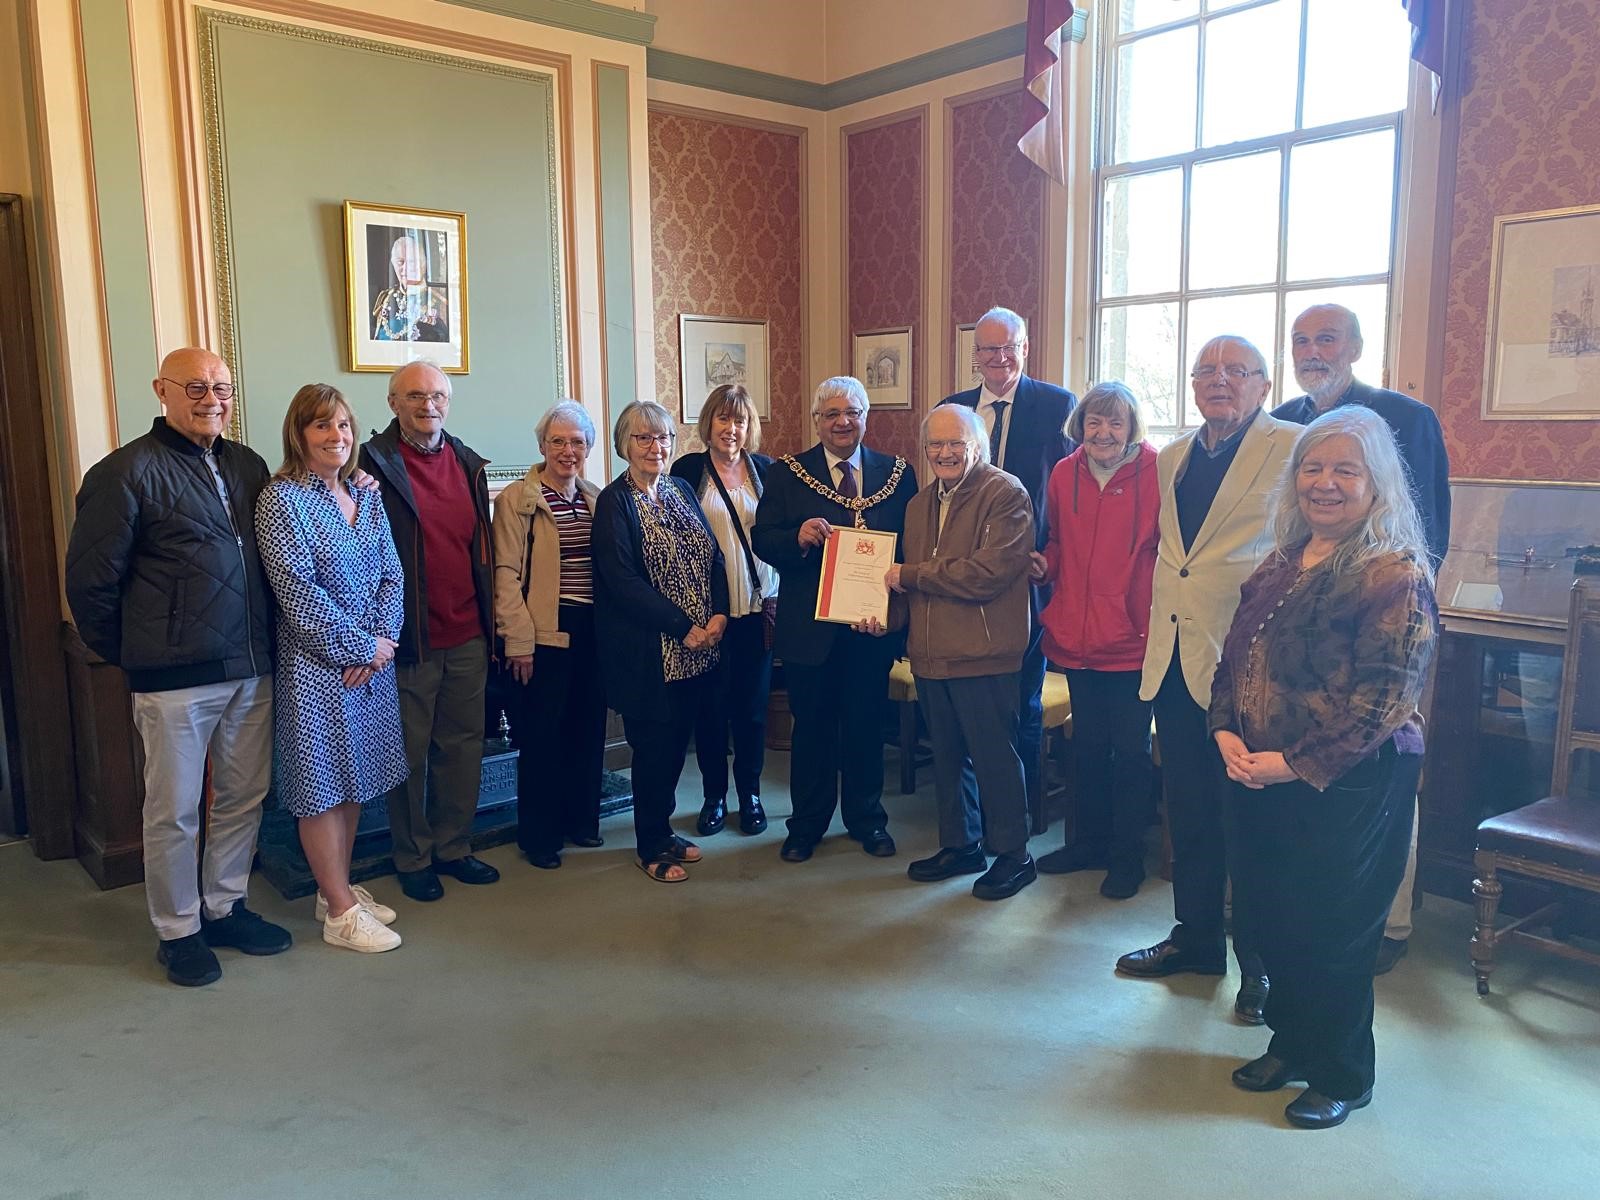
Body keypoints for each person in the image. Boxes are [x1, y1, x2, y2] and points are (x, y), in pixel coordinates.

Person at [1211, 405, 1436, 1130]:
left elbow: (1385, 698)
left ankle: (1342, 1072)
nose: (1326, 484)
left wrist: (1293, 763)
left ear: (1378, 485)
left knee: (1332, 932)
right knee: (1274, 919)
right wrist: (1223, 730)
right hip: (1259, 773)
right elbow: (1234, 658)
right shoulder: (1282, 560)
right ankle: (1292, 1044)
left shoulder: (1392, 573)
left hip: (1350, 784)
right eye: (1313, 467)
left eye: (1346, 470)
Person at [65, 347, 292, 987]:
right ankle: (179, 929)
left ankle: (225, 906)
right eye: (195, 386)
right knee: (174, 810)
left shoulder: (247, 464)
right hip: (173, 680)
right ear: (161, 389)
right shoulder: (124, 472)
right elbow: (90, 585)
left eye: (221, 385)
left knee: (243, 796)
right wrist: (134, 654)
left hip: (253, 665)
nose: (211, 398)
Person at [1114, 335, 1299, 1028]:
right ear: (1192, 386)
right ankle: (1195, 941)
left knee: (1249, 823)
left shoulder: (1292, 446)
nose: (1220, 381)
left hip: (1250, 665)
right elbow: (1178, 555)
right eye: (1207, 371)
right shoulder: (1175, 455)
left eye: (1236, 371)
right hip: (1175, 654)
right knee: (1188, 812)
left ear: (1263, 383)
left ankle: (1262, 967)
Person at [1274, 302, 1452, 976]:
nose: (1312, 350)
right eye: (1300, 340)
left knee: (1377, 775)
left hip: (1379, 634)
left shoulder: (1406, 418)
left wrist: (1392, 622)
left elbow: (1427, 531)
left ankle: (1388, 922)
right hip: (1300, 636)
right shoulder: (1286, 423)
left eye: (1327, 338)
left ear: (1355, 346)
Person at [255, 385, 406, 953]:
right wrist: (358, 648)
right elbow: (296, 589)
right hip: (316, 666)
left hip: (372, 661)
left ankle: (333, 888)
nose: (337, 437)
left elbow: (391, 572)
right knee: (321, 786)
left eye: (344, 426)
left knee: (354, 778)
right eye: (323, 426)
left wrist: (383, 641)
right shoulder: (281, 499)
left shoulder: (366, 495)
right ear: (299, 433)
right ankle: (341, 912)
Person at [752, 376, 918, 864]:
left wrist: (895, 612)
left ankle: (868, 819)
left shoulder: (896, 473)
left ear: (866, 417)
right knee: (813, 730)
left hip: (871, 628)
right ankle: (806, 826)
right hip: (810, 630)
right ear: (817, 420)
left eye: (853, 412)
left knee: (867, 726)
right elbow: (763, 539)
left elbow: (908, 544)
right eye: (832, 414)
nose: (843, 422)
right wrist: (797, 537)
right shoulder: (787, 473)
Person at [359, 361, 500, 902]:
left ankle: (454, 847)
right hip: (406, 636)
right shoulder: (369, 462)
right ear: (393, 403)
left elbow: (479, 550)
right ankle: (412, 856)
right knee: (409, 754)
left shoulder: (467, 462)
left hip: (467, 631)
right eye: (415, 396)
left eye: (438, 395)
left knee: (462, 747)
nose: (428, 405)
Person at [886, 406, 1037, 900]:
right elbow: (912, 586)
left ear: (979, 446)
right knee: (948, 757)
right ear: (925, 450)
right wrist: (881, 617)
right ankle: (961, 844)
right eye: (936, 445)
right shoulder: (918, 503)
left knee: (993, 756)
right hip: (930, 653)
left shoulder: (1005, 493)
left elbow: (985, 574)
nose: (946, 453)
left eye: (957, 443)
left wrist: (909, 575)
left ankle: (1015, 855)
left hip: (984, 652)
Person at [940, 307, 1076, 824]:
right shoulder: (952, 408)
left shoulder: (1057, 406)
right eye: (988, 350)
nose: (999, 359)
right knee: (971, 707)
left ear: (1025, 348)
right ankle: (974, 821)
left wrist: (1053, 555)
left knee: (1023, 703)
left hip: (1030, 580)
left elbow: (1069, 490)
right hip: (964, 579)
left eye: (1009, 348)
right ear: (974, 356)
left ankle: (1024, 817)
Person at [593, 401, 729, 883]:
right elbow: (623, 582)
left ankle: (664, 829)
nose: (657, 447)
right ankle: (649, 844)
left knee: (675, 751)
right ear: (624, 446)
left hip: (699, 653)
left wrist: (718, 613)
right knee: (652, 752)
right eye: (644, 438)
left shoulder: (682, 489)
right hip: (649, 655)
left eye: (665, 437)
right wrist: (683, 626)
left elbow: (713, 556)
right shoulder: (615, 502)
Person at [1036, 381, 1160, 899]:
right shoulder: (1064, 474)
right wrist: (1045, 566)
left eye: (1115, 422)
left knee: (1128, 752)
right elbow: (1058, 541)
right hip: (1077, 634)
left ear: (1131, 427)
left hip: (1132, 638)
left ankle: (1127, 857)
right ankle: (1086, 843)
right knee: (1085, 747)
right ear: (1080, 425)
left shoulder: (1159, 471)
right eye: (1094, 422)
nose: (1104, 432)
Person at [491, 400, 606, 870]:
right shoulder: (517, 500)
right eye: (558, 441)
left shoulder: (596, 498)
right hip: (543, 635)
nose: (567, 451)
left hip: (592, 632)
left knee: (587, 731)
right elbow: (505, 576)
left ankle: (582, 822)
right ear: (541, 446)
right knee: (542, 738)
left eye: (577, 442)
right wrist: (518, 640)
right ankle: (540, 838)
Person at [671, 384, 779, 838]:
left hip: (757, 608)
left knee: (751, 710)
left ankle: (750, 795)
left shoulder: (767, 471)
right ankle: (714, 797)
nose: (730, 429)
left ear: (748, 425)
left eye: (739, 420)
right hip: (709, 613)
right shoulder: (687, 470)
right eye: (722, 418)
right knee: (711, 708)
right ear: (708, 423)